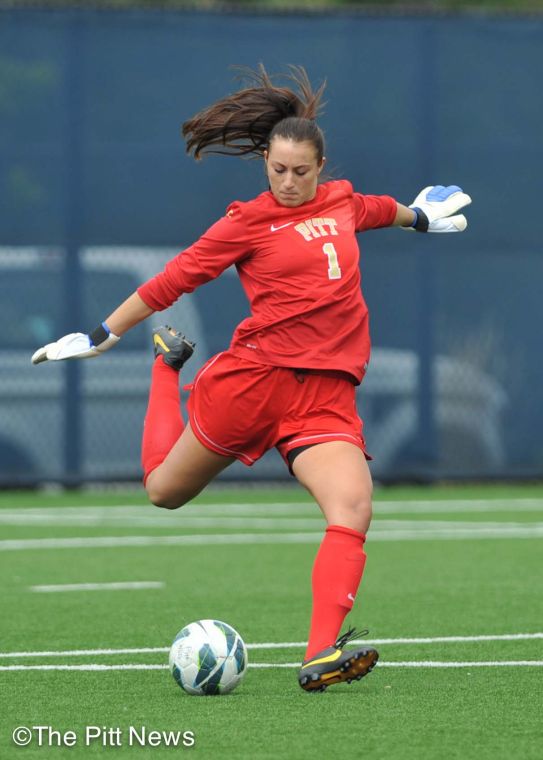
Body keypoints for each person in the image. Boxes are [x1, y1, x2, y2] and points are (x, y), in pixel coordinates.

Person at [32, 65, 471, 692]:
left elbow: (379, 210)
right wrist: (102, 335)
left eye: (301, 171)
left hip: (324, 396)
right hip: (254, 382)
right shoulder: (246, 221)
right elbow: (173, 279)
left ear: (322, 166)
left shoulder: (342, 200)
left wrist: (422, 218)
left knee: (352, 507)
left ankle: (320, 655)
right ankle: (167, 368)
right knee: (164, 493)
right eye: (278, 169)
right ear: (265, 160)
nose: (289, 182)